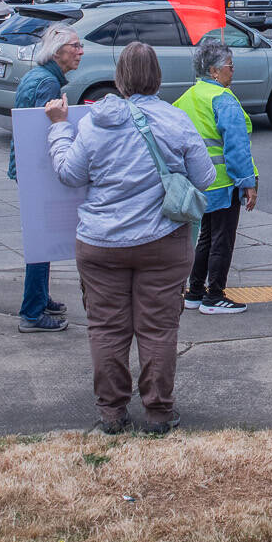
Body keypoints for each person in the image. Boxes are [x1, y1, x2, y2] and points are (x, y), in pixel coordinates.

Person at [47, 42, 213, 433]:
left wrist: (58, 128)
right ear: (158, 77)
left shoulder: (94, 124)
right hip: (162, 241)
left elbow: (69, 174)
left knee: (106, 328)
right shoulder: (175, 120)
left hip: (101, 242)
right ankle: (158, 412)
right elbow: (205, 177)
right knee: (158, 329)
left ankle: (112, 412)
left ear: (119, 78)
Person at [7, 23, 83, 332]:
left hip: (27, 167)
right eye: (75, 46)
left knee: (42, 237)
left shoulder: (39, 77)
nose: (80, 51)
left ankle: (39, 297)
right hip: (35, 170)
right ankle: (32, 311)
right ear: (56, 51)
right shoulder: (47, 83)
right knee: (41, 240)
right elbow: (43, 132)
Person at [178, 39, 258, 315]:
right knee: (222, 239)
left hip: (197, 181)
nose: (232, 71)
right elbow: (236, 147)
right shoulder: (223, 99)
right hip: (223, 181)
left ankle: (195, 291)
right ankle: (215, 295)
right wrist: (248, 183)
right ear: (213, 71)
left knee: (205, 237)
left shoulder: (187, 97)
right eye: (229, 66)